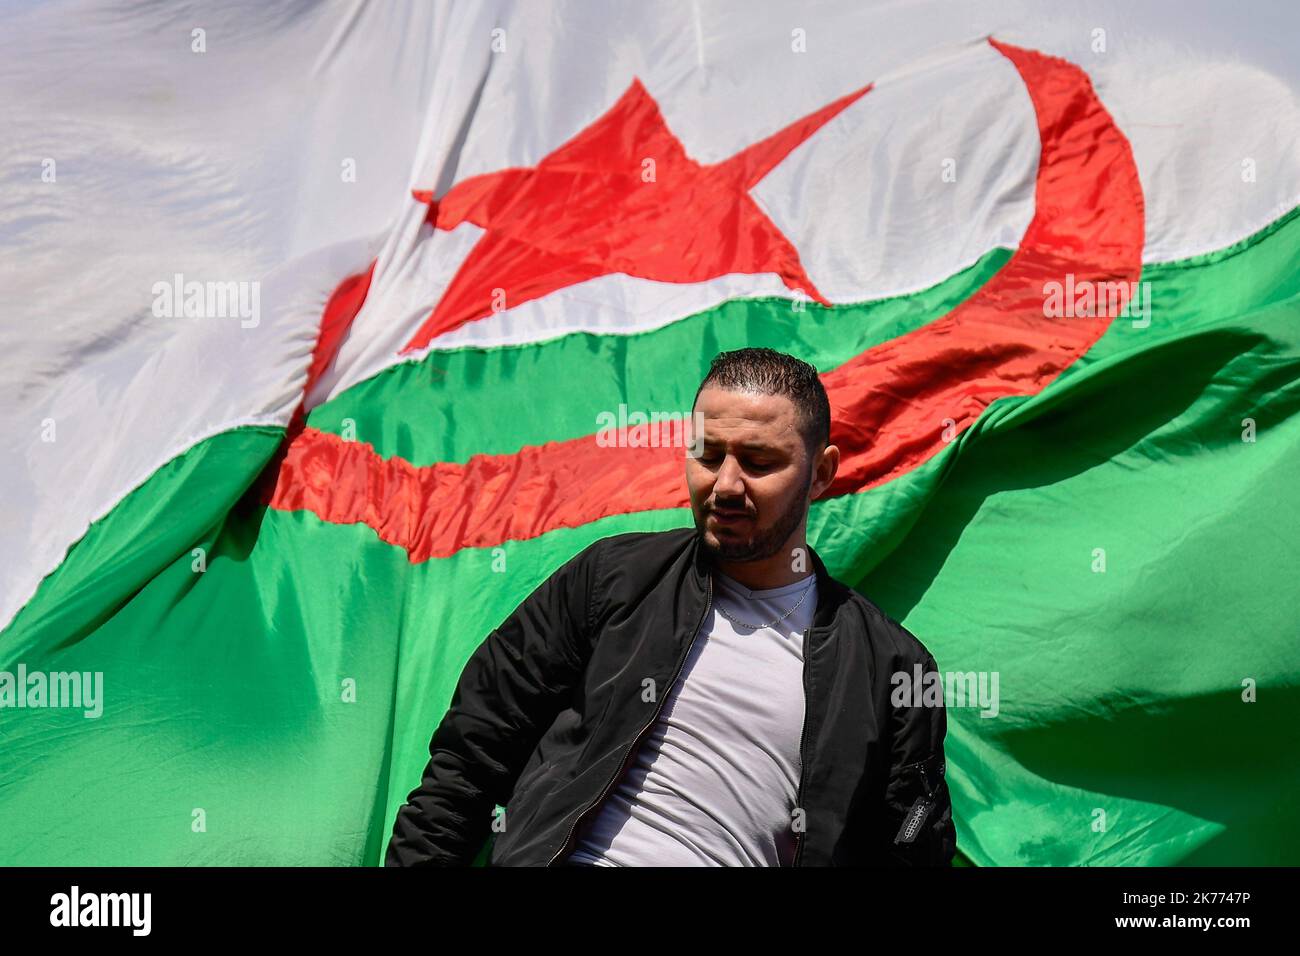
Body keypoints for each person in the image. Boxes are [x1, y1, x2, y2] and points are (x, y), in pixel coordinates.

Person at [386, 347, 956, 866]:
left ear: (822, 473)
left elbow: (911, 851)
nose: (726, 485)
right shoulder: (612, 579)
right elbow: (469, 759)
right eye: (708, 455)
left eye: (758, 463)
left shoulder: (891, 668)